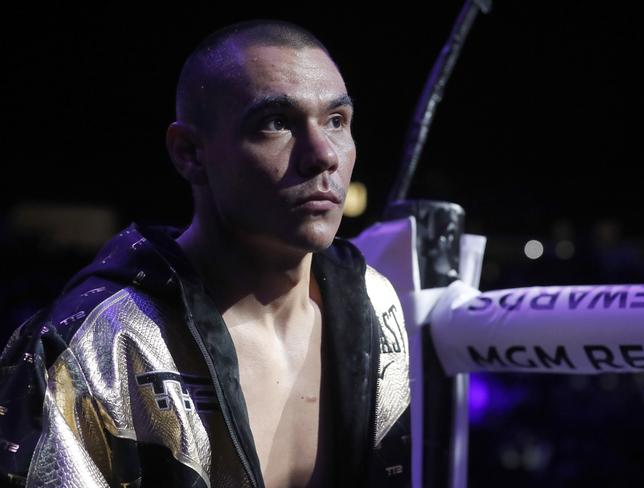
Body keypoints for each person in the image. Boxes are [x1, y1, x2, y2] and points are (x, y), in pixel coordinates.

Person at [0, 20, 411, 488]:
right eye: (277, 123)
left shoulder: (376, 304)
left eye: (336, 121)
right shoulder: (101, 341)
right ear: (190, 152)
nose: (323, 154)